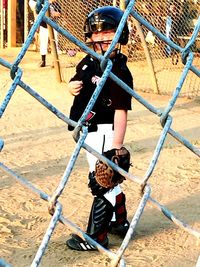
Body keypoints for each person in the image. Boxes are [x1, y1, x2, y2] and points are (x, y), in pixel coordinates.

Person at [66, 6, 134, 251]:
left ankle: (97, 237)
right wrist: (71, 86)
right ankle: (119, 220)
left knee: (101, 181)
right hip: (87, 131)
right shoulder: (88, 60)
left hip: (104, 131)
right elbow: (78, 80)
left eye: (110, 32)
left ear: (121, 35)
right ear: (89, 36)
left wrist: (116, 146)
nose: (104, 37)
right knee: (108, 181)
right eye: (98, 33)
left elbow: (120, 111)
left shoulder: (118, 70)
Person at [29, 0, 61, 67]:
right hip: (43, 26)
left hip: (53, 26)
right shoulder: (41, 3)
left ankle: (54, 61)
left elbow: (59, 14)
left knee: (55, 44)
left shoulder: (56, 4)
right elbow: (37, 11)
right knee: (43, 43)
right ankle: (43, 61)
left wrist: (53, 13)